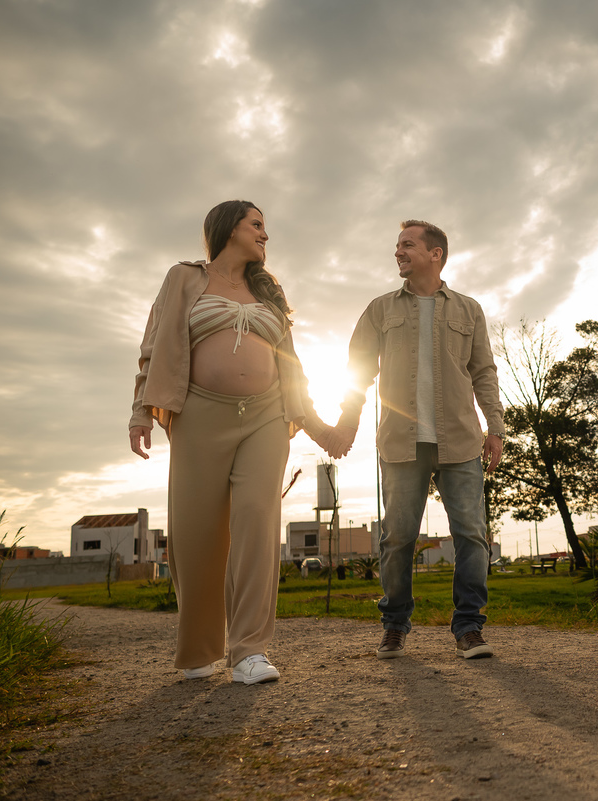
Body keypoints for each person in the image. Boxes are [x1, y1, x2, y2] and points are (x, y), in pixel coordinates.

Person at [129, 200, 331, 684]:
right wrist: (140, 410)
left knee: (257, 521)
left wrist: (314, 419)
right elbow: (153, 347)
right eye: (256, 225)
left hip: (266, 415)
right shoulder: (184, 278)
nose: (265, 235)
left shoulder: (268, 291)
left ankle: (249, 651)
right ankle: (200, 648)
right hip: (199, 415)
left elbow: (292, 363)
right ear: (228, 228)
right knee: (197, 535)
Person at [322, 220, 504, 659]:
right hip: (401, 443)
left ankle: (469, 627)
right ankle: (395, 624)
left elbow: (483, 371)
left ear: (435, 254)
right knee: (397, 539)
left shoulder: (469, 310)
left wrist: (495, 427)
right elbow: (357, 371)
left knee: (472, 536)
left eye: (407, 244)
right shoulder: (380, 309)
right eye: (397, 245)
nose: (398, 252)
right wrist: (348, 423)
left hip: (460, 441)